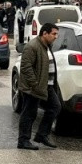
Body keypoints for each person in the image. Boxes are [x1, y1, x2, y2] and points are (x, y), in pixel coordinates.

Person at [16, 22, 62, 150]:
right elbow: (26, 67)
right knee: (29, 113)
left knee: (55, 107)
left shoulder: (47, 45)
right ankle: (23, 140)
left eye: (57, 34)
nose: (56, 36)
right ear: (44, 33)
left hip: (47, 85)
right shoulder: (32, 46)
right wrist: (34, 84)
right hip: (34, 87)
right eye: (54, 34)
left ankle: (42, 135)